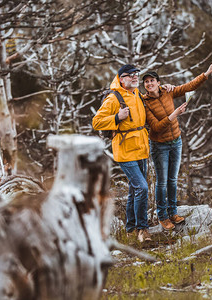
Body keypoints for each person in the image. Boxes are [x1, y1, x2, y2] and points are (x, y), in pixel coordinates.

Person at [142, 60, 212, 230]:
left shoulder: (168, 92)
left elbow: (188, 87)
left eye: (152, 80)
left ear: (158, 82)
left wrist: (206, 74)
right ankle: (162, 216)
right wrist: (174, 115)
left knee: (172, 180)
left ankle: (173, 212)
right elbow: (154, 126)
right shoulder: (145, 103)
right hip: (159, 145)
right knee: (162, 182)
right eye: (146, 82)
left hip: (176, 142)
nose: (149, 84)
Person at [92, 64, 152, 243]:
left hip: (141, 148)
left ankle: (130, 229)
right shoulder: (113, 98)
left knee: (135, 189)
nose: (134, 77)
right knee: (142, 187)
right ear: (120, 78)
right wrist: (117, 118)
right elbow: (97, 122)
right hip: (125, 150)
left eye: (136, 75)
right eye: (130, 75)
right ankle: (143, 230)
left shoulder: (136, 94)